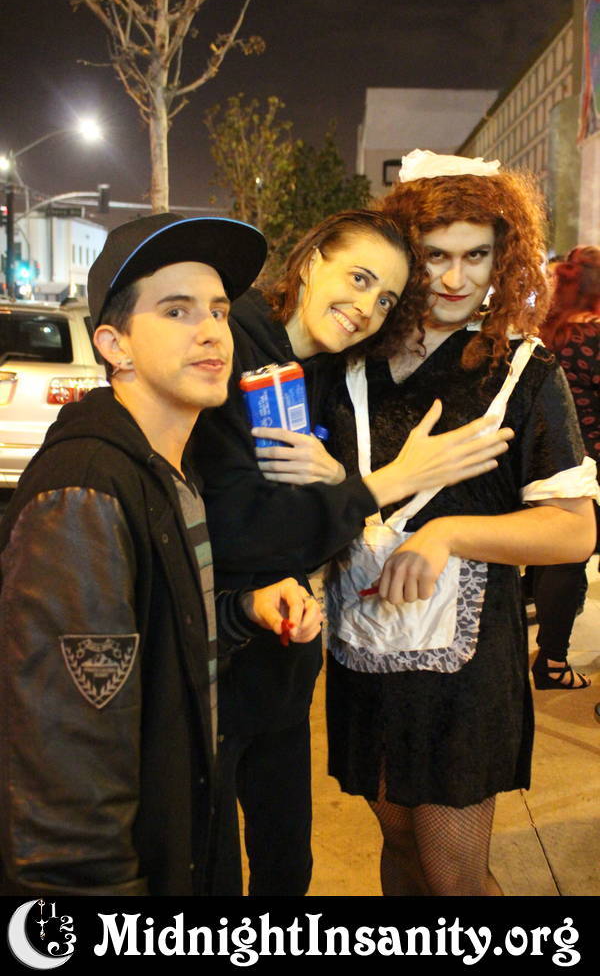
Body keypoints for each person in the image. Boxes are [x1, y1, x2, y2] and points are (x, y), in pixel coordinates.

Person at [268, 151, 597, 896]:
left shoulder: (523, 371)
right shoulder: (346, 363)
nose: (456, 278)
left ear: (502, 258)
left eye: (475, 255)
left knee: (456, 877)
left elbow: (574, 530)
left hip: (467, 672)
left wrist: (448, 534)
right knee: (399, 848)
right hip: (362, 650)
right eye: (436, 256)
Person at [190, 208, 514, 895]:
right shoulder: (231, 347)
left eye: (387, 297)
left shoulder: (332, 375)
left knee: (286, 860)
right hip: (208, 650)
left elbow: (321, 519)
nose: (367, 307)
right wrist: (390, 482)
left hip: (288, 654)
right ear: (313, 261)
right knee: (206, 864)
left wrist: (347, 487)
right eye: (359, 278)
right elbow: (236, 526)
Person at [0, 212, 324, 897]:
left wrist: (242, 611)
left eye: (218, 310)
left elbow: (157, 645)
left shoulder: (168, 471)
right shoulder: (85, 493)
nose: (211, 331)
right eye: (176, 311)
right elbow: (66, 770)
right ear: (113, 344)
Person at [528, 245, 600, 689]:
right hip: (592, 465)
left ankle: (551, 658)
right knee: (572, 557)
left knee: (560, 559)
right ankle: (552, 662)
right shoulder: (594, 335)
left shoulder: (547, 331)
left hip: (552, 461)